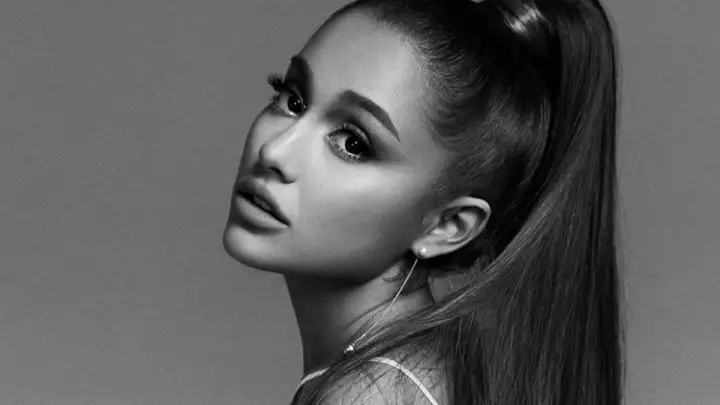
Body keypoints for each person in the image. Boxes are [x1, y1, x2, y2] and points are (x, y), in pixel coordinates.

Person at [223, 0, 623, 403]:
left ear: (447, 226)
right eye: (293, 100)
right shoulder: (426, 365)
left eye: (352, 144)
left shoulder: (370, 395)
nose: (274, 152)